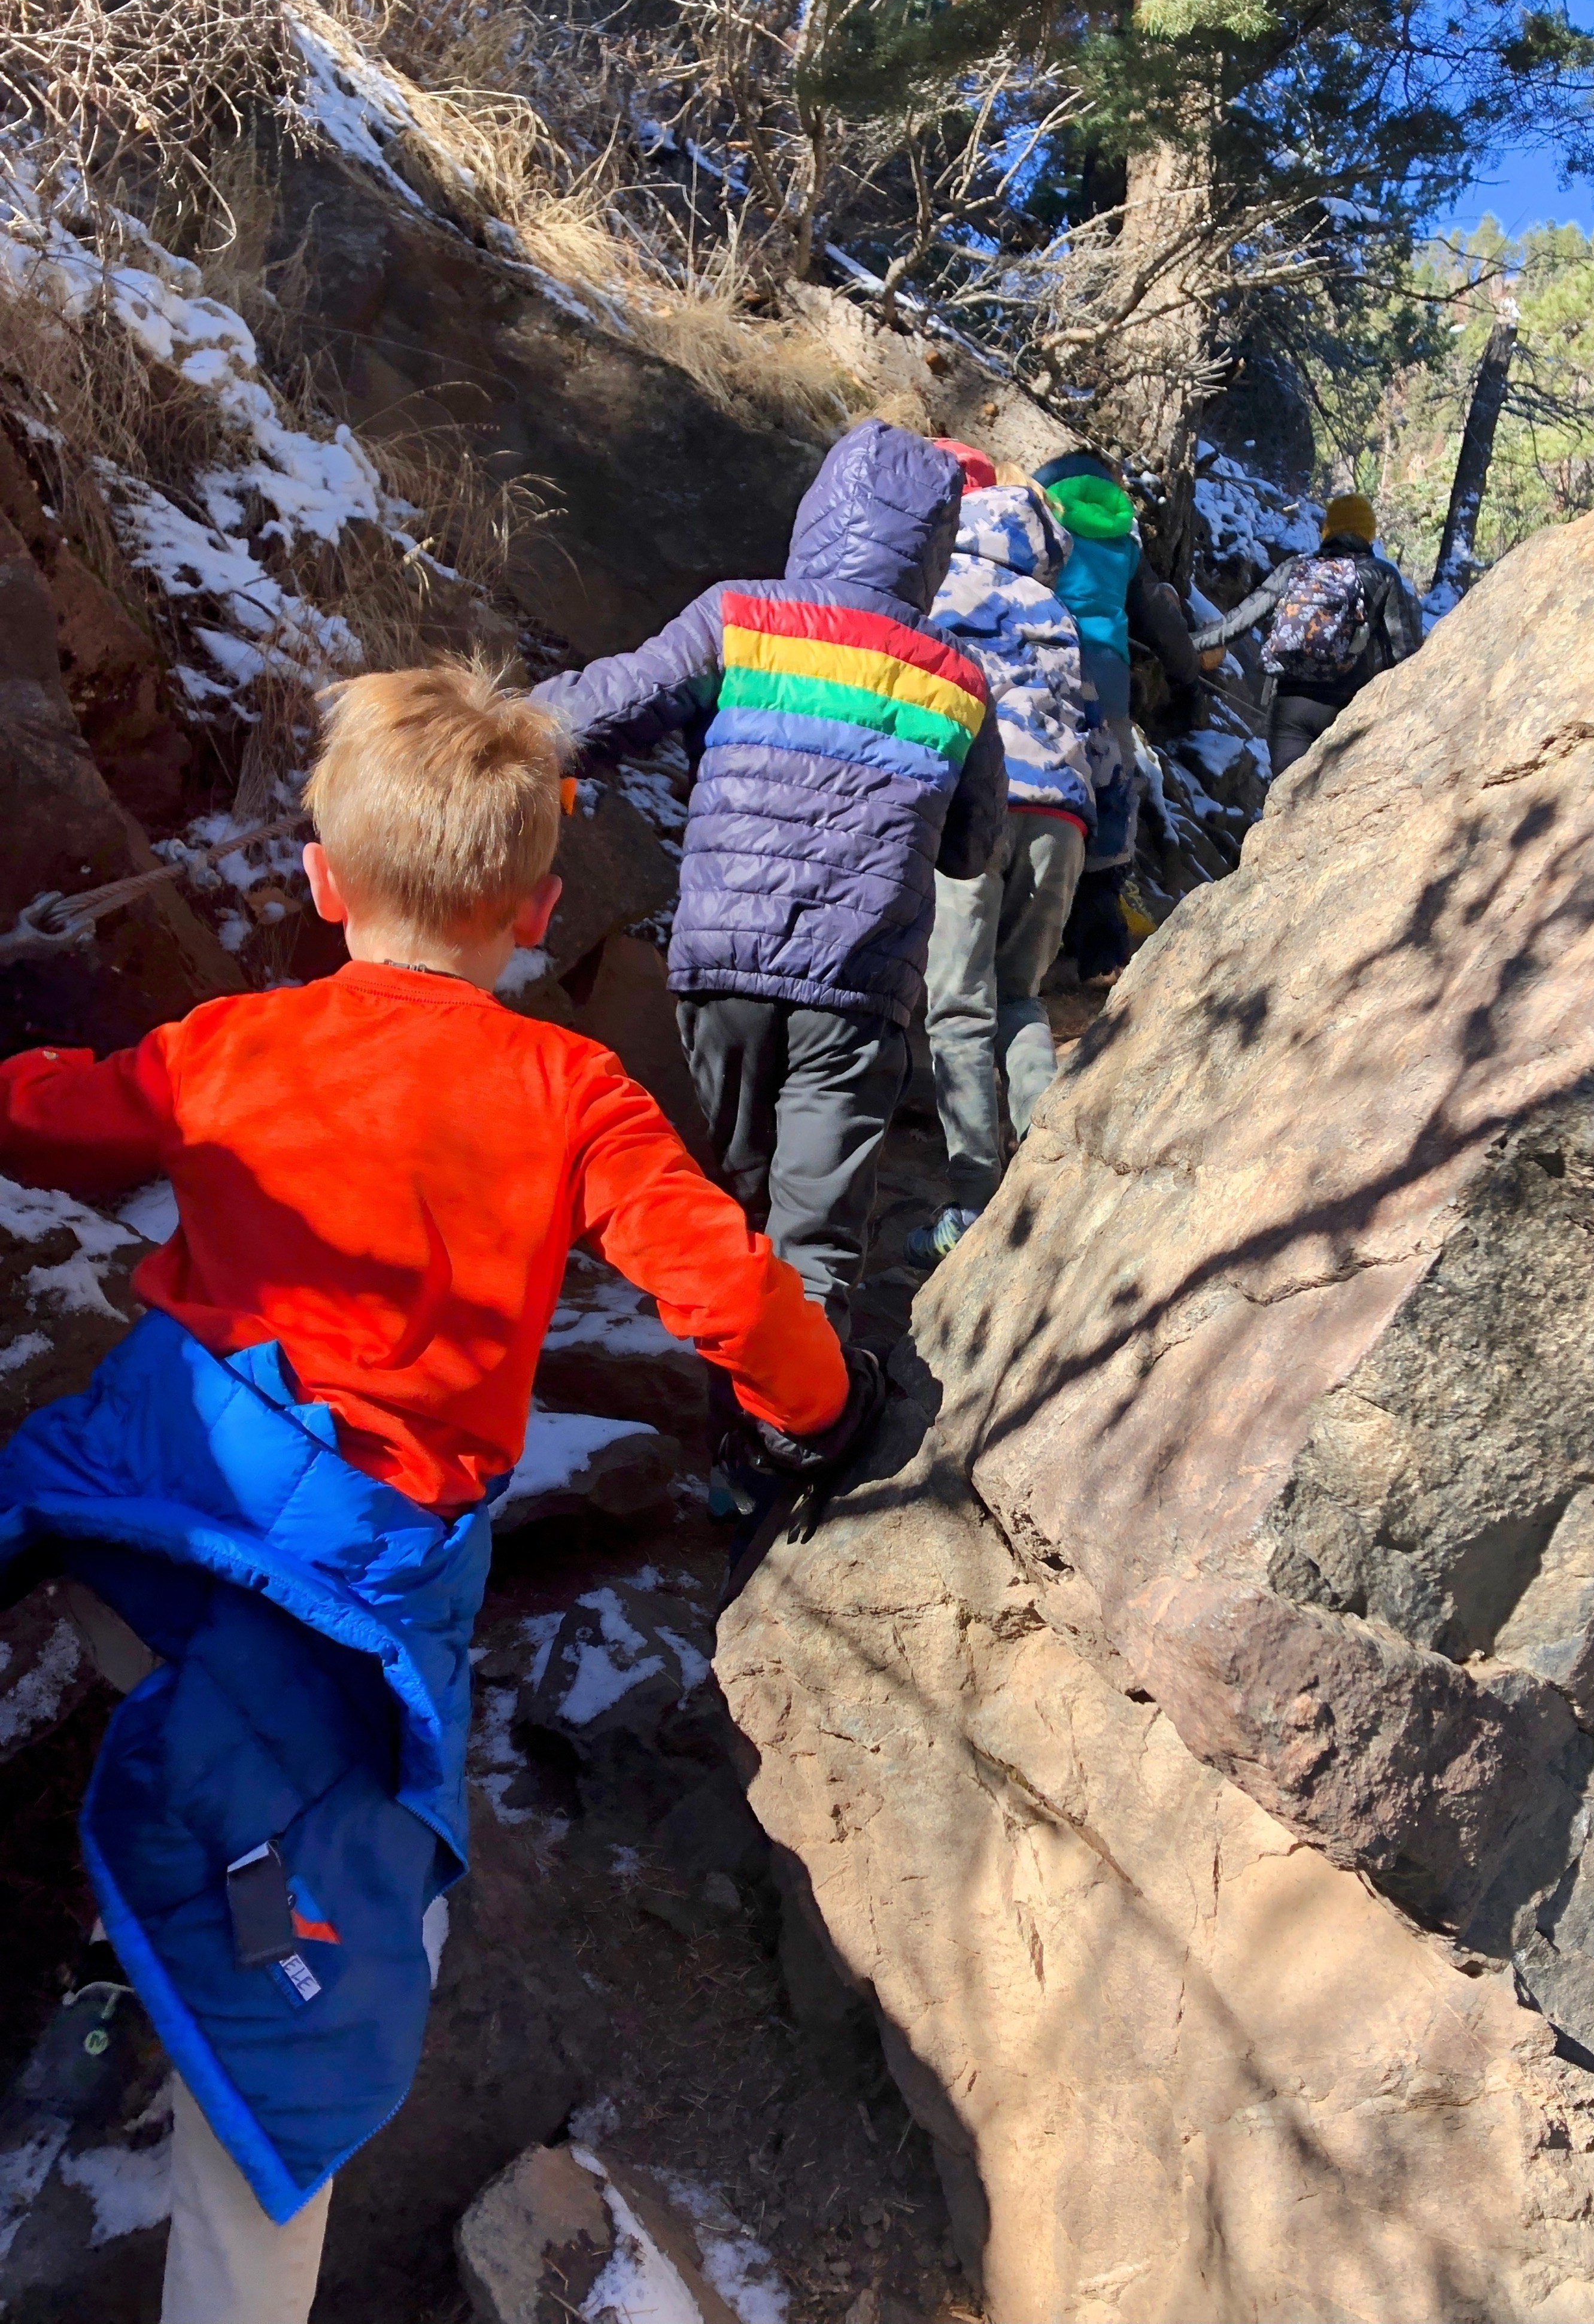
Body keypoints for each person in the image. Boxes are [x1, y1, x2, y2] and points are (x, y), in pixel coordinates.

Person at [0, 665, 875, 2324]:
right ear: (540, 912)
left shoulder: (233, 1043)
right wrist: (821, 1408)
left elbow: (72, 1120)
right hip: (338, 1595)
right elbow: (726, 1293)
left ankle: (123, 1963)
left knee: (188, 1741)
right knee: (312, 1970)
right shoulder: (571, 1095)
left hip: (139, 1526)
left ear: (324, 883)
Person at [533, 417, 1006, 1341]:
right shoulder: (958, 677)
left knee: (728, 1202)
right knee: (817, 1235)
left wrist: (497, 725)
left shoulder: (743, 615)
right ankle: (781, 1452)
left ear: (819, 511)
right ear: (934, 549)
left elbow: (611, 709)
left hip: (723, 964)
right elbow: (971, 850)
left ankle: (715, 1419)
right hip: (861, 984)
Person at [907, 463, 1094, 1266]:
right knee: (1020, 996)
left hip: (975, 804)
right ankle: (1057, 1177)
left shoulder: (943, 585)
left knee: (957, 1006)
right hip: (1063, 817)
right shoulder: (1056, 606)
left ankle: (973, 1198)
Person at [1031, 450, 1208, 984]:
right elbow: (1154, 609)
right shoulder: (1123, 536)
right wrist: (1187, 670)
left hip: (1037, 661)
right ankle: (1100, 951)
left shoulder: (1035, 514)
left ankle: (1019, 931)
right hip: (1105, 673)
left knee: (1035, 784)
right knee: (1111, 796)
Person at [1193, 492, 1423, 779]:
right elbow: (1402, 652)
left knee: (1288, 806)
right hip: (1349, 711)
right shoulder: (1382, 575)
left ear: (1327, 530)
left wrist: (1188, 642)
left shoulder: (1296, 568)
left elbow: (1237, 622)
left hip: (1290, 709)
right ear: (1369, 533)